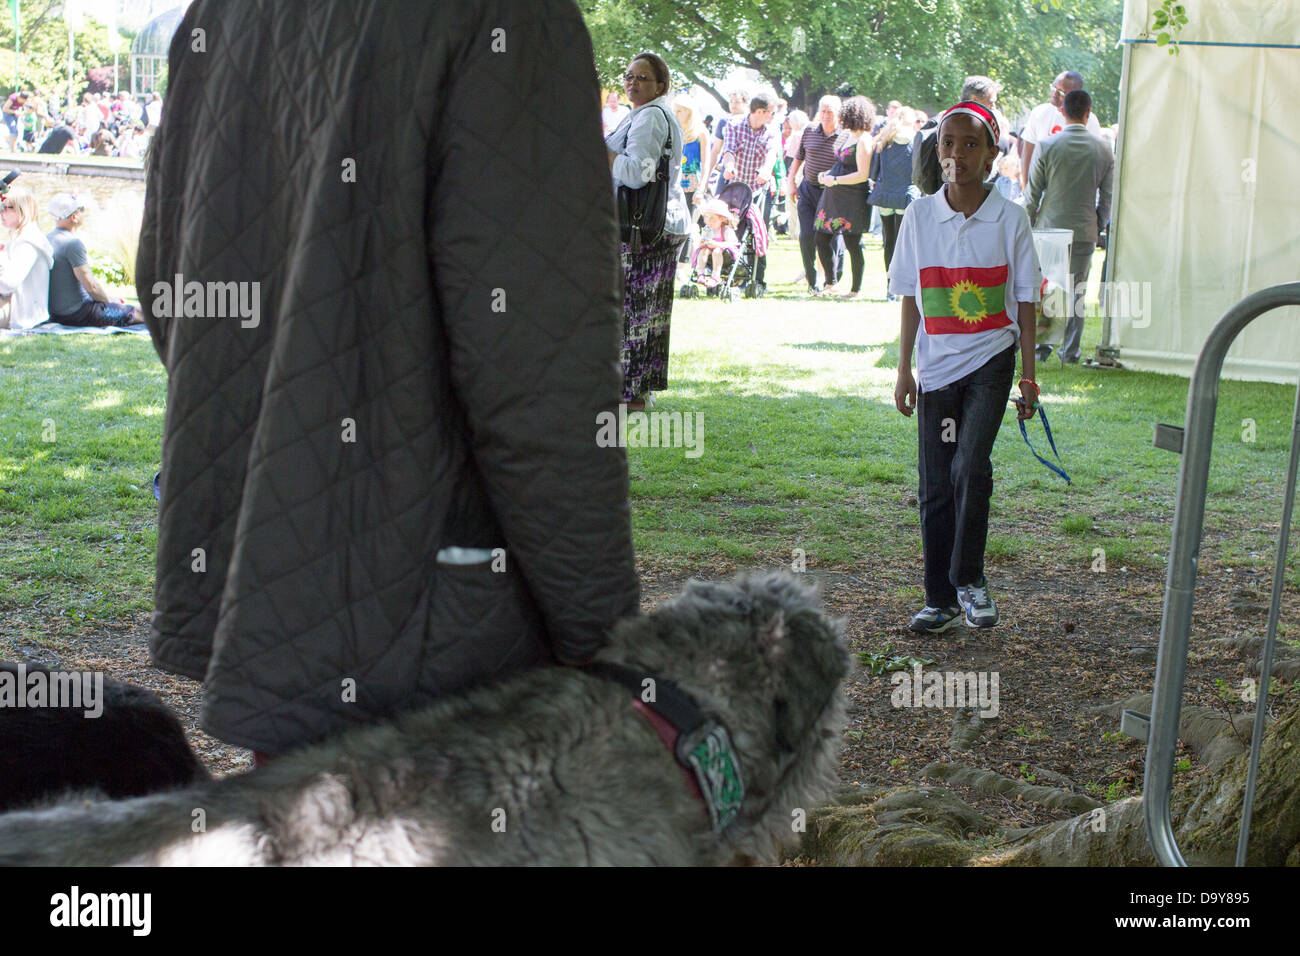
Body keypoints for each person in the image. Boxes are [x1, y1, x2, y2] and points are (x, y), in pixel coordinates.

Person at [137, 0, 640, 762]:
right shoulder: (507, 17)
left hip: (289, 572)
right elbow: (541, 375)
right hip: (426, 614)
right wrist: (604, 634)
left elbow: (164, 283)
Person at [890, 101, 1041, 634]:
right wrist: (904, 368)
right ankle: (940, 599)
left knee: (969, 468)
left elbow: (1025, 301)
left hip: (991, 361)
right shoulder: (918, 215)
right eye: (948, 143)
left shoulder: (1010, 217)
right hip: (935, 367)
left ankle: (970, 581)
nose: (957, 154)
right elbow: (908, 294)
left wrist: (1027, 373)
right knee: (935, 482)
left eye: (970, 144)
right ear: (938, 152)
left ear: (992, 155)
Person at [605, 51, 690, 410]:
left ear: (661, 85)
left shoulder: (650, 118)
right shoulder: (653, 115)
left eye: (641, 77)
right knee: (650, 311)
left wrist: (603, 153)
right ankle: (639, 391)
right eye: (628, 76)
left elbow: (636, 173)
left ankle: (629, 394)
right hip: (662, 223)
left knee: (632, 309)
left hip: (643, 227)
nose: (632, 83)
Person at [1025, 89, 1114, 363]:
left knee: (1047, 289)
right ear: (1088, 113)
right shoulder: (1103, 149)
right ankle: (1071, 351)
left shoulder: (1047, 145)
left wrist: (1027, 222)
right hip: (1084, 228)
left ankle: (1042, 348)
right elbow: (1107, 196)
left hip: (1050, 228)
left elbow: (1033, 192)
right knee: (1076, 293)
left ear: (1062, 111)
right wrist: (1098, 223)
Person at [45, 194, 145, 327]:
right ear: (74, 217)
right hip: (78, 314)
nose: (83, 213)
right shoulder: (72, 244)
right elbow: (91, 286)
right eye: (81, 210)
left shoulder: (48, 239)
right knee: (138, 313)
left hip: (56, 313)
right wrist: (109, 301)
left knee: (132, 308)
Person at [813, 96, 875, 298]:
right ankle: (831, 283)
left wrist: (836, 180)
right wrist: (827, 174)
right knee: (821, 237)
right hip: (833, 194)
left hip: (851, 197)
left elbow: (862, 174)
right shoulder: (847, 136)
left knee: (852, 243)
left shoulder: (864, 140)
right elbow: (841, 163)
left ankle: (855, 289)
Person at [717, 93, 779, 295]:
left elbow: (771, 154)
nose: (773, 116)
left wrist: (766, 170)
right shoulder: (734, 125)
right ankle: (721, 273)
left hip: (758, 190)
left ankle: (757, 279)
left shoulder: (771, 131)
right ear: (760, 112)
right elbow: (729, 150)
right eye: (772, 112)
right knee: (727, 231)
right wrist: (729, 166)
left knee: (758, 234)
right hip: (735, 190)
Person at [787, 95, 843, 294]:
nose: (826, 116)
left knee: (829, 236)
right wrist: (791, 181)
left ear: (838, 114)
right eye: (823, 111)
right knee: (806, 236)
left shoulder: (844, 135)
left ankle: (832, 279)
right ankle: (812, 281)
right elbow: (798, 158)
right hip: (808, 189)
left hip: (832, 193)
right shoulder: (810, 131)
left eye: (830, 112)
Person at [1018, 70, 1102, 190]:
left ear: (1075, 95)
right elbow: (1027, 154)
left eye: (1061, 92)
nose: (1054, 94)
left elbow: (1094, 161)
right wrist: (1025, 188)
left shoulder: (1089, 120)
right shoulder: (1039, 113)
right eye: (1053, 87)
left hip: (1072, 191)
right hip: (1039, 188)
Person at [868, 106, 919, 300]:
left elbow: (874, 171)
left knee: (888, 241)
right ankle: (901, 286)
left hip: (886, 194)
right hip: (905, 194)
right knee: (903, 243)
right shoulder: (914, 140)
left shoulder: (884, 141)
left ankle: (890, 288)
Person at [0, 184, 54, 331]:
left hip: (19, 314)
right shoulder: (21, 238)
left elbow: (7, 284)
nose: (1, 212)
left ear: (22, 210)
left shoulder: (29, 242)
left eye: (5, 207)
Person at [691, 197, 739, 287]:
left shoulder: (726, 230)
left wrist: (717, 244)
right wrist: (702, 243)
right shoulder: (707, 230)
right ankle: (700, 273)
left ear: (721, 218)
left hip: (725, 255)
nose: (708, 221)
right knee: (703, 251)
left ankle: (715, 276)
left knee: (717, 250)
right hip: (710, 254)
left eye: (712, 218)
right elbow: (701, 243)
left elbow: (732, 243)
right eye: (706, 217)